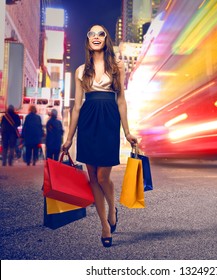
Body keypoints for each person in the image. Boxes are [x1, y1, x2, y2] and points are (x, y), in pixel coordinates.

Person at [62, 24, 138, 248]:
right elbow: (76, 107)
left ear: (106, 39)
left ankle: (112, 210)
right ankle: (105, 224)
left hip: (108, 119)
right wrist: (69, 138)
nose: (96, 37)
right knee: (92, 177)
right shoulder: (80, 70)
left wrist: (127, 130)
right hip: (88, 120)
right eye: (91, 34)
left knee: (104, 176)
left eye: (100, 34)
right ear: (88, 41)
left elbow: (121, 100)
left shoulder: (117, 66)